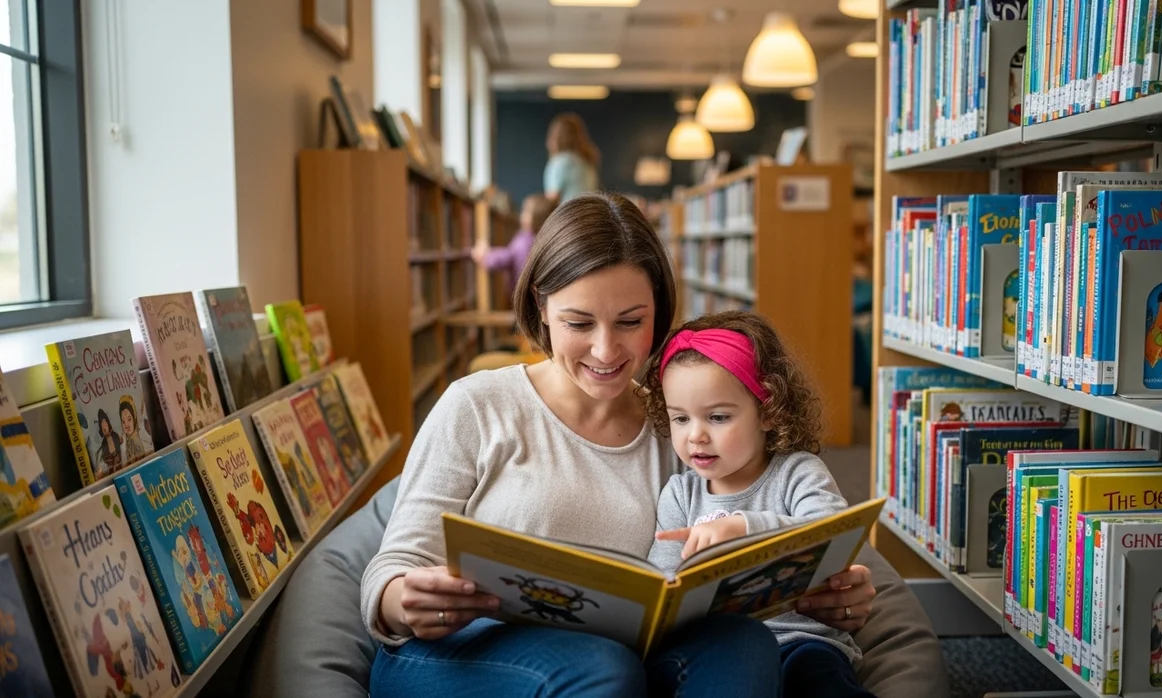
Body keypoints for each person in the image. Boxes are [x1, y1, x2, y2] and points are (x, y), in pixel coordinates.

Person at [360, 192, 876, 697]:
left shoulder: (677, 427)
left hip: (620, 656)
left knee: (744, 644)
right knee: (602, 669)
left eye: (631, 322)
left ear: (659, 311)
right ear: (541, 306)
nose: (605, 350)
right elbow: (393, 564)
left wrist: (833, 591)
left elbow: (763, 512)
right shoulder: (477, 405)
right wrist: (401, 598)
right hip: (460, 653)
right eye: (578, 323)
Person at [642, 311, 878, 698]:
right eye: (680, 418)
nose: (695, 435)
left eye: (718, 417)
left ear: (768, 411)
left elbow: (832, 534)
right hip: (719, 651)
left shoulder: (799, 472)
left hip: (802, 644)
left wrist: (744, 528)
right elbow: (663, 586)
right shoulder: (680, 493)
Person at [471, 193, 555, 296]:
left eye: (525, 211)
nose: (522, 214)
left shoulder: (524, 241)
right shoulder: (546, 241)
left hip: (524, 293)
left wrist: (485, 256)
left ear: (534, 217)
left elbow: (507, 257)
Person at [543, 113, 600, 205]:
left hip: (568, 216)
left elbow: (551, 200)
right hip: (589, 214)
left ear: (555, 136)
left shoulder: (559, 162)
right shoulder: (586, 161)